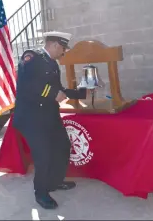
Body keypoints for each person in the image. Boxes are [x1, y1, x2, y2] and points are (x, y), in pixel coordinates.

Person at [13, 31, 89, 209]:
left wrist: (81, 92)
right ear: (55, 45)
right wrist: (53, 94)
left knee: (62, 147)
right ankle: (41, 192)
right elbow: (27, 85)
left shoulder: (52, 63)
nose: (63, 53)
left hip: (49, 115)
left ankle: (55, 182)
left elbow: (58, 88)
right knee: (43, 156)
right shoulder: (31, 58)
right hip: (31, 117)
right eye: (63, 49)